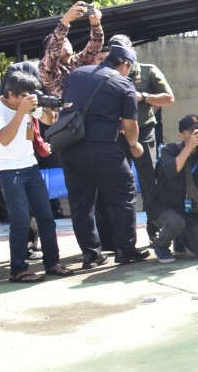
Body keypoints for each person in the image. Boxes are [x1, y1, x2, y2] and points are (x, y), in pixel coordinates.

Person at [61, 40, 149, 268]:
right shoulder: (124, 84)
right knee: (124, 194)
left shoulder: (77, 74)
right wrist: (134, 145)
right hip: (103, 149)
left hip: (71, 147)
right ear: (126, 65)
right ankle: (125, 250)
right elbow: (130, 124)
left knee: (81, 203)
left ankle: (91, 255)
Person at [0, 71, 71, 282]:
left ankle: (52, 263)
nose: (29, 99)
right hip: (5, 168)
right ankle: (18, 269)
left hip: (29, 165)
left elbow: (48, 121)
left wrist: (47, 108)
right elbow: (4, 139)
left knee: (46, 216)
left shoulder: (27, 104)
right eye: (24, 96)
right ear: (10, 94)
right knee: (21, 218)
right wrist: (21, 112)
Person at [116, 35, 173, 245]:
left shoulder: (148, 70)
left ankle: (154, 227)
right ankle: (124, 238)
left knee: (149, 183)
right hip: (117, 135)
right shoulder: (108, 73)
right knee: (121, 186)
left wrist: (144, 97)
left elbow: (168, 98)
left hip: (144, 133)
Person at [153, 114, 198, 260]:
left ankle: (182, 237)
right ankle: (161, 245)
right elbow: (173, 170)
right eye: (192, 132)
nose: (197, 134)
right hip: (167, 208)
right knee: (175, 222)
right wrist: (189, 146)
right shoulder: (170, 150)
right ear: (181, 135)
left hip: (192, 210)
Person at [39, 1, 105, 97]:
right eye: (61, 42)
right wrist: (66, 20)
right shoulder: (47, 69)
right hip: (66, 111)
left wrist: (95, 24)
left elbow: (95, 47)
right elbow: (54, 50)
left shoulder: (79, 61)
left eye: (65, 40)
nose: (64, 43)